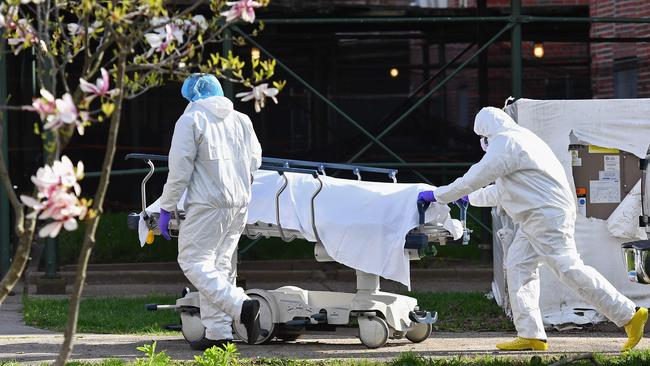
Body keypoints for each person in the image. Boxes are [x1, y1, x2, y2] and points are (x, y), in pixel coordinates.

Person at [418, 107, 648, 351]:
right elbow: (504, 190)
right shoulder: (523, 139)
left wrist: (437, 195)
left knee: (568, 267)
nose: (483, 145)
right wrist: (468, 198)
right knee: (519, 267)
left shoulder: (505, 142)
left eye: (482, 140)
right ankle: (531, 335)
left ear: (486, 133)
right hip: (539, 216)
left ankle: (629, 314)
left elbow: (474, 178)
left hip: (544, 217)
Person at [158, 73, 263, 350]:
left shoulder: (191, 120)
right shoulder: (242, 119)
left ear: (192, 96)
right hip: (240, 202)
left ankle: (242, 305)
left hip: (208, 205)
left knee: (193, 261)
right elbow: (255, 162)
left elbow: (180, 171)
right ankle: (218, 334)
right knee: (220, 268)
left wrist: (166, 207)